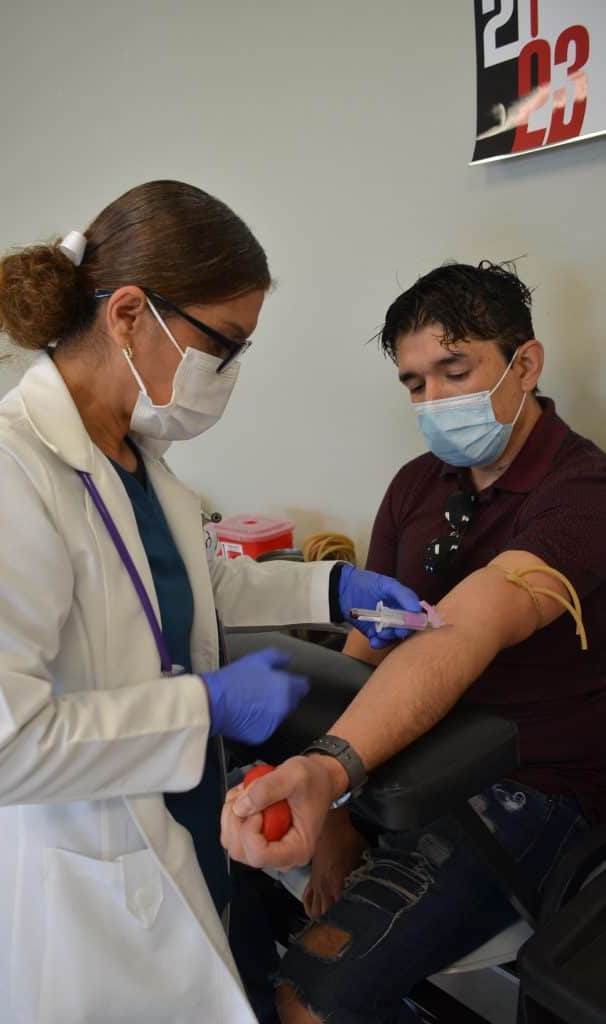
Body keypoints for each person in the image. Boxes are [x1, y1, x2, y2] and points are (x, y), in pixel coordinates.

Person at [0, 180, 420, 1024]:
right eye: (223, 344)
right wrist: (205, 705)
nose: (228, 372)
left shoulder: (134, 452)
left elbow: (198, 576)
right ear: (128, 314)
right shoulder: (1, 469)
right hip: (78, 884)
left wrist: (331, 586)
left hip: (179, 831)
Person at [221, 262, 606, 1024]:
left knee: (308, 1001)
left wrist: (332, 775)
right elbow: (372, 649)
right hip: (399, 758)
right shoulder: (416, 487)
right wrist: (334, 807)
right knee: (222, 897)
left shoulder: (583, 493)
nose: (434, 402)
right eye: (414, 384)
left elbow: (466, 624)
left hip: (530, 788)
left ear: (524, 364)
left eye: (454, 372)